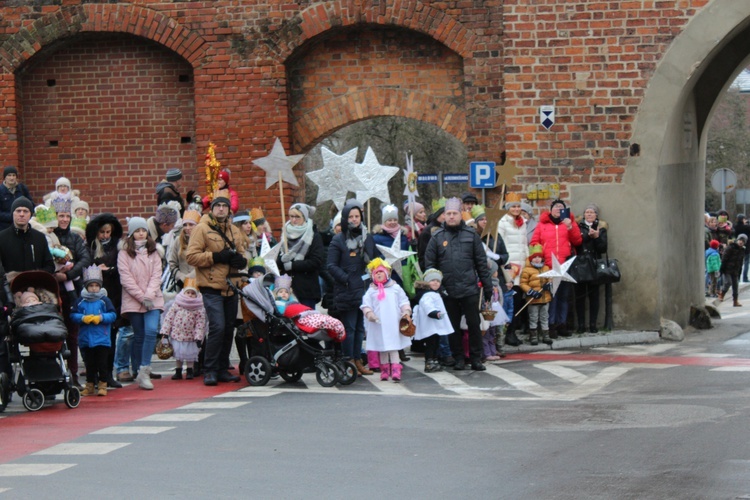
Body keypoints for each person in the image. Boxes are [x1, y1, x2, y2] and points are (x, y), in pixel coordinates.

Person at [425, 197, 493, 371]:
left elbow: (481, 263)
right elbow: (430, 264)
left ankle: (476, 358)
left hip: (470, 288)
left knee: (473, 324)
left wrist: (487, 287)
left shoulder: (471, 236)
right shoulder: (437, 237)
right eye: (448, 214)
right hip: (448, 290)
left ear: (460, 215)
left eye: (455, 213)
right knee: (453, 326)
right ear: (444, 215)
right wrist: (437, 286)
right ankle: (459, 358)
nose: (451, 217)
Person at [186, 196, 248, 386]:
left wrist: (241, 261)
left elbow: (242, 252)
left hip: (231, 286)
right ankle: (209, 369)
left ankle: (222, 368)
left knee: (228, 328)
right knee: (218, 327)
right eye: (218, 206)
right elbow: (191, 256)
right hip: (211, 287)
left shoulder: (234, 230)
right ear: (211, 209)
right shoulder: (201, 229)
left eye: (224, 206)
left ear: (229, 210)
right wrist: (215, 257)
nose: (221, 209)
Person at [118, 217, 165, 390]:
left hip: (153, 299)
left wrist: (149, 295)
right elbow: (126, 278)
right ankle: (137, 368)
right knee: (138, 335)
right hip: (133, 300)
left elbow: (156, 276)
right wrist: (141, 297)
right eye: (137, 230)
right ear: (131, 233)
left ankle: (145, 369)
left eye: (143, 230)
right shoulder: (124, 253)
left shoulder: (154, 252)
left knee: (151, 331)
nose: (141, 233)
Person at [327, 199, 371, 376]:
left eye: (357, 216)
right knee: (350, 328)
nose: (354, 219)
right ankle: (349, 361)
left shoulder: (366, 237)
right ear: (345, 218)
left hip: (363, 289)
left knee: (360, 328)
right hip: (346, 291)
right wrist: (346, 279)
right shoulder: (338, 240)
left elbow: (373, 259)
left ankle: (358, 359)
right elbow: (330, 265)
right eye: (351, 216)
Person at [51, 196, 91, 389]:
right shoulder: (48, 236)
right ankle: (53, 375)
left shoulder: (75, 238)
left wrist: (68, 275)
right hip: (52, 291)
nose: (64, 219)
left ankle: (73, 374)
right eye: (61, 215)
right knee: (52, 335)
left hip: (71, 291)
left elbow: (84, 259)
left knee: (72, 335)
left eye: (67, 215)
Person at [530, 199, 582, 338]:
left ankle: (562, 323)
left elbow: (577, 241)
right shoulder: (542, 225)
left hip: (565, 265)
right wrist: (540, 257)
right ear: (551, 209)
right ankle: (550, 324)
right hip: (549, 265)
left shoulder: (569, 223)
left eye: (561, 207)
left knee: (564, 297)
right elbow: (534, 242)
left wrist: (570, 227)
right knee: (551, 296)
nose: (559, 209)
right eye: (556, 207)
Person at [86, 213, 126, 387]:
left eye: (108, 232)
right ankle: (93, 374)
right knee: (93, 340)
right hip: (94, 296)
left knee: (110, 337)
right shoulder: (90, 247)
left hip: (114, 295)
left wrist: (111, 270)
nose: (105, 236)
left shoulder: (118, 247)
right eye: (102, 232)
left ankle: (107, 374)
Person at [360, 258, 411, 382]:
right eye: (376, 273)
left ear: (387, 273)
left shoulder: (395, 288)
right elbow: (365, 304)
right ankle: (384, 370)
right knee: (382, 347)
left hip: (393, 322)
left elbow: (403, 300)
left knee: (393, 347)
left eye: (381, 272)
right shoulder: (371, 291)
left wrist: (406, 311)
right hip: (379, 324)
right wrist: (369, 313)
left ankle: (395, 369)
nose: (378, 274)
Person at [71, 265, 117, 397]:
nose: (94, 288)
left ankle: (103, 384)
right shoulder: (80, 301)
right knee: (89, 364)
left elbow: (112, 315)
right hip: (86, 339)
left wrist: (101, 318)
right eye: (91, 286)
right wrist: (83, 318)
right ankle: (90, 384)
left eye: (96, 286)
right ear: (86, 287)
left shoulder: (104, 300)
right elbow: (73, 315)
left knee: (102, 363)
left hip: (102, 338)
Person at [277, 203, 325, 309]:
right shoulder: (285, 233)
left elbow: (316, 261)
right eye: (291, 216)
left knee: (305, 321)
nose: (294, 220)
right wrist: (281, 260)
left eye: (297, 216)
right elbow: (278, 258)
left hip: (306, 289)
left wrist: (292, 265)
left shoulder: (313, 236)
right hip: (286, 288)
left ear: (304, 217)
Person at [160, 277, 206, 381]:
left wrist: (199, 337)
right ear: (183, 293)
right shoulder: (177, 304)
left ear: (197, 294)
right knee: (178, 354)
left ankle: (190, 370)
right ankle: (178, 370)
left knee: (190, 354)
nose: (190, 295)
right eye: (188, 292)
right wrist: (165, 332)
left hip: (191, 336)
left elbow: (200, 324)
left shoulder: (199, 308)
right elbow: (169, 318)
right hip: (177, 334)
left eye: (192, 293)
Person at [498, 194, 528, 346]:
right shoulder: (502, 223)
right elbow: (502, 245)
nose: (516, 209)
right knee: (509, 302)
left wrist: (527, 261)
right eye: (513, 206)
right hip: (510, 268)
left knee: (517, 303)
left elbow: (524, 245)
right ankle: (506, 333)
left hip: (521, 267)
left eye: (518, 206)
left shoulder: (522, 223)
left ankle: (512, 332)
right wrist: (506, 265)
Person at [574, 203, 608, 334]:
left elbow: (603, 248)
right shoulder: (578, 227)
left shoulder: (601, 228)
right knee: (580, 296)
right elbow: (577, 242)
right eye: (587, 212)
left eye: (591, 212)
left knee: (594, 296)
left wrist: (597, 237)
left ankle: (593, 324)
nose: (589, 214)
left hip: (594, 264)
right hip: (581, 264)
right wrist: (588, 236)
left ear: (596, 215)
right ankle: (581, 324)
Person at [0, 197, 55, 277]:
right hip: (10, 286)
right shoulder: (2, 238)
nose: (22, 214)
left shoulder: (40, 238)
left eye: (25, 211)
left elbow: (50, 266)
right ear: (13, 213)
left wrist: (33, 277)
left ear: (31, 214)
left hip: (36, 286)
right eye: (18, 211)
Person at [413, 268, 453, 372]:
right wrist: (434, 313)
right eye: (432, 280)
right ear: (427, 282)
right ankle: (429, 362)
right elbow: (428, 306)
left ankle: (434, 360)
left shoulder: (435, 293)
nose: (435, 282)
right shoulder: (427, 295)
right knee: (431, 344)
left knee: (436, 342)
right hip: (431, 323)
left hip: (436, 324)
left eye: (438, 281)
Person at [519, 244, 553, 346]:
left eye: (539, 257)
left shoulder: (546, 268)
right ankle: (533, 336)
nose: (537, 259)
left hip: (545, 298)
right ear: (531, 259)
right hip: (533, 299)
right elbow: (523, 283)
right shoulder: (527, 270)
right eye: (535, 257)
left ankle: (546, 335)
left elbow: (551, 279)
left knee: (544, 317)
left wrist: (549, 285)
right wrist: (530, 291)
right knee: (533, 317)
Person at [167, 209, 202, 291]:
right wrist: (181, 277)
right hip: (182, 285)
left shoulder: (203, 241)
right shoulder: (178, 241)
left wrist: (190, 276)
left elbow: (205, 263)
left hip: (199, 285)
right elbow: (172, 263)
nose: (187, 228)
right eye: (185, 225)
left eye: (191, 224)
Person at [0, 166, 33, 231]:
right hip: (4, 227)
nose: (12, 178)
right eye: (9, 175)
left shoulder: (22, 189)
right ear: (4, 177)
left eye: (13, 175)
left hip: (22, 226)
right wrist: (13, 216)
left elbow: (31, 205)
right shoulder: (1, 191)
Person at [719, 234, 746, 307]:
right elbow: (724, 258)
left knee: (735, 286)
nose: (741, 242)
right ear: (737, 240)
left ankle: (735, 301)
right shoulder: (731, 247)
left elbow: (741, 262)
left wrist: (739, 272)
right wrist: (722, 268)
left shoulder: (742, 250)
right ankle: (722, 294)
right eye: (740, 240)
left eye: (743, 241)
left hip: (735, 270)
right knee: (728, 282)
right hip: (727, 269)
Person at [734, 214, 750, 282]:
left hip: (737, 246)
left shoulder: (735, 227)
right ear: (743, 219)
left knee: (738, 262)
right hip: (747, 246)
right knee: (746, 262)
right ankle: (745, 277)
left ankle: (737, 277)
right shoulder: (747, 227)